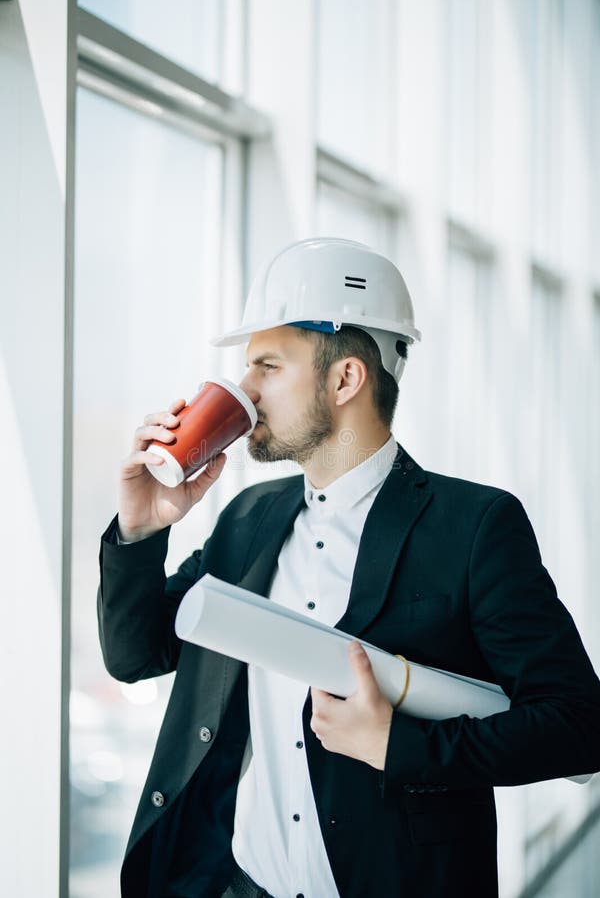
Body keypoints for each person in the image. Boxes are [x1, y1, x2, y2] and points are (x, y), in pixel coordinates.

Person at [97, 238, 600, 898]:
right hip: (246, 886)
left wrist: (400, 745)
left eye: (267, 367)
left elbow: (577, 727)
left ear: (344, 379)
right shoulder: (251, 517)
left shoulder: (472, 525)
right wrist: (141, 526)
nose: (243, 392)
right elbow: (136, 655)